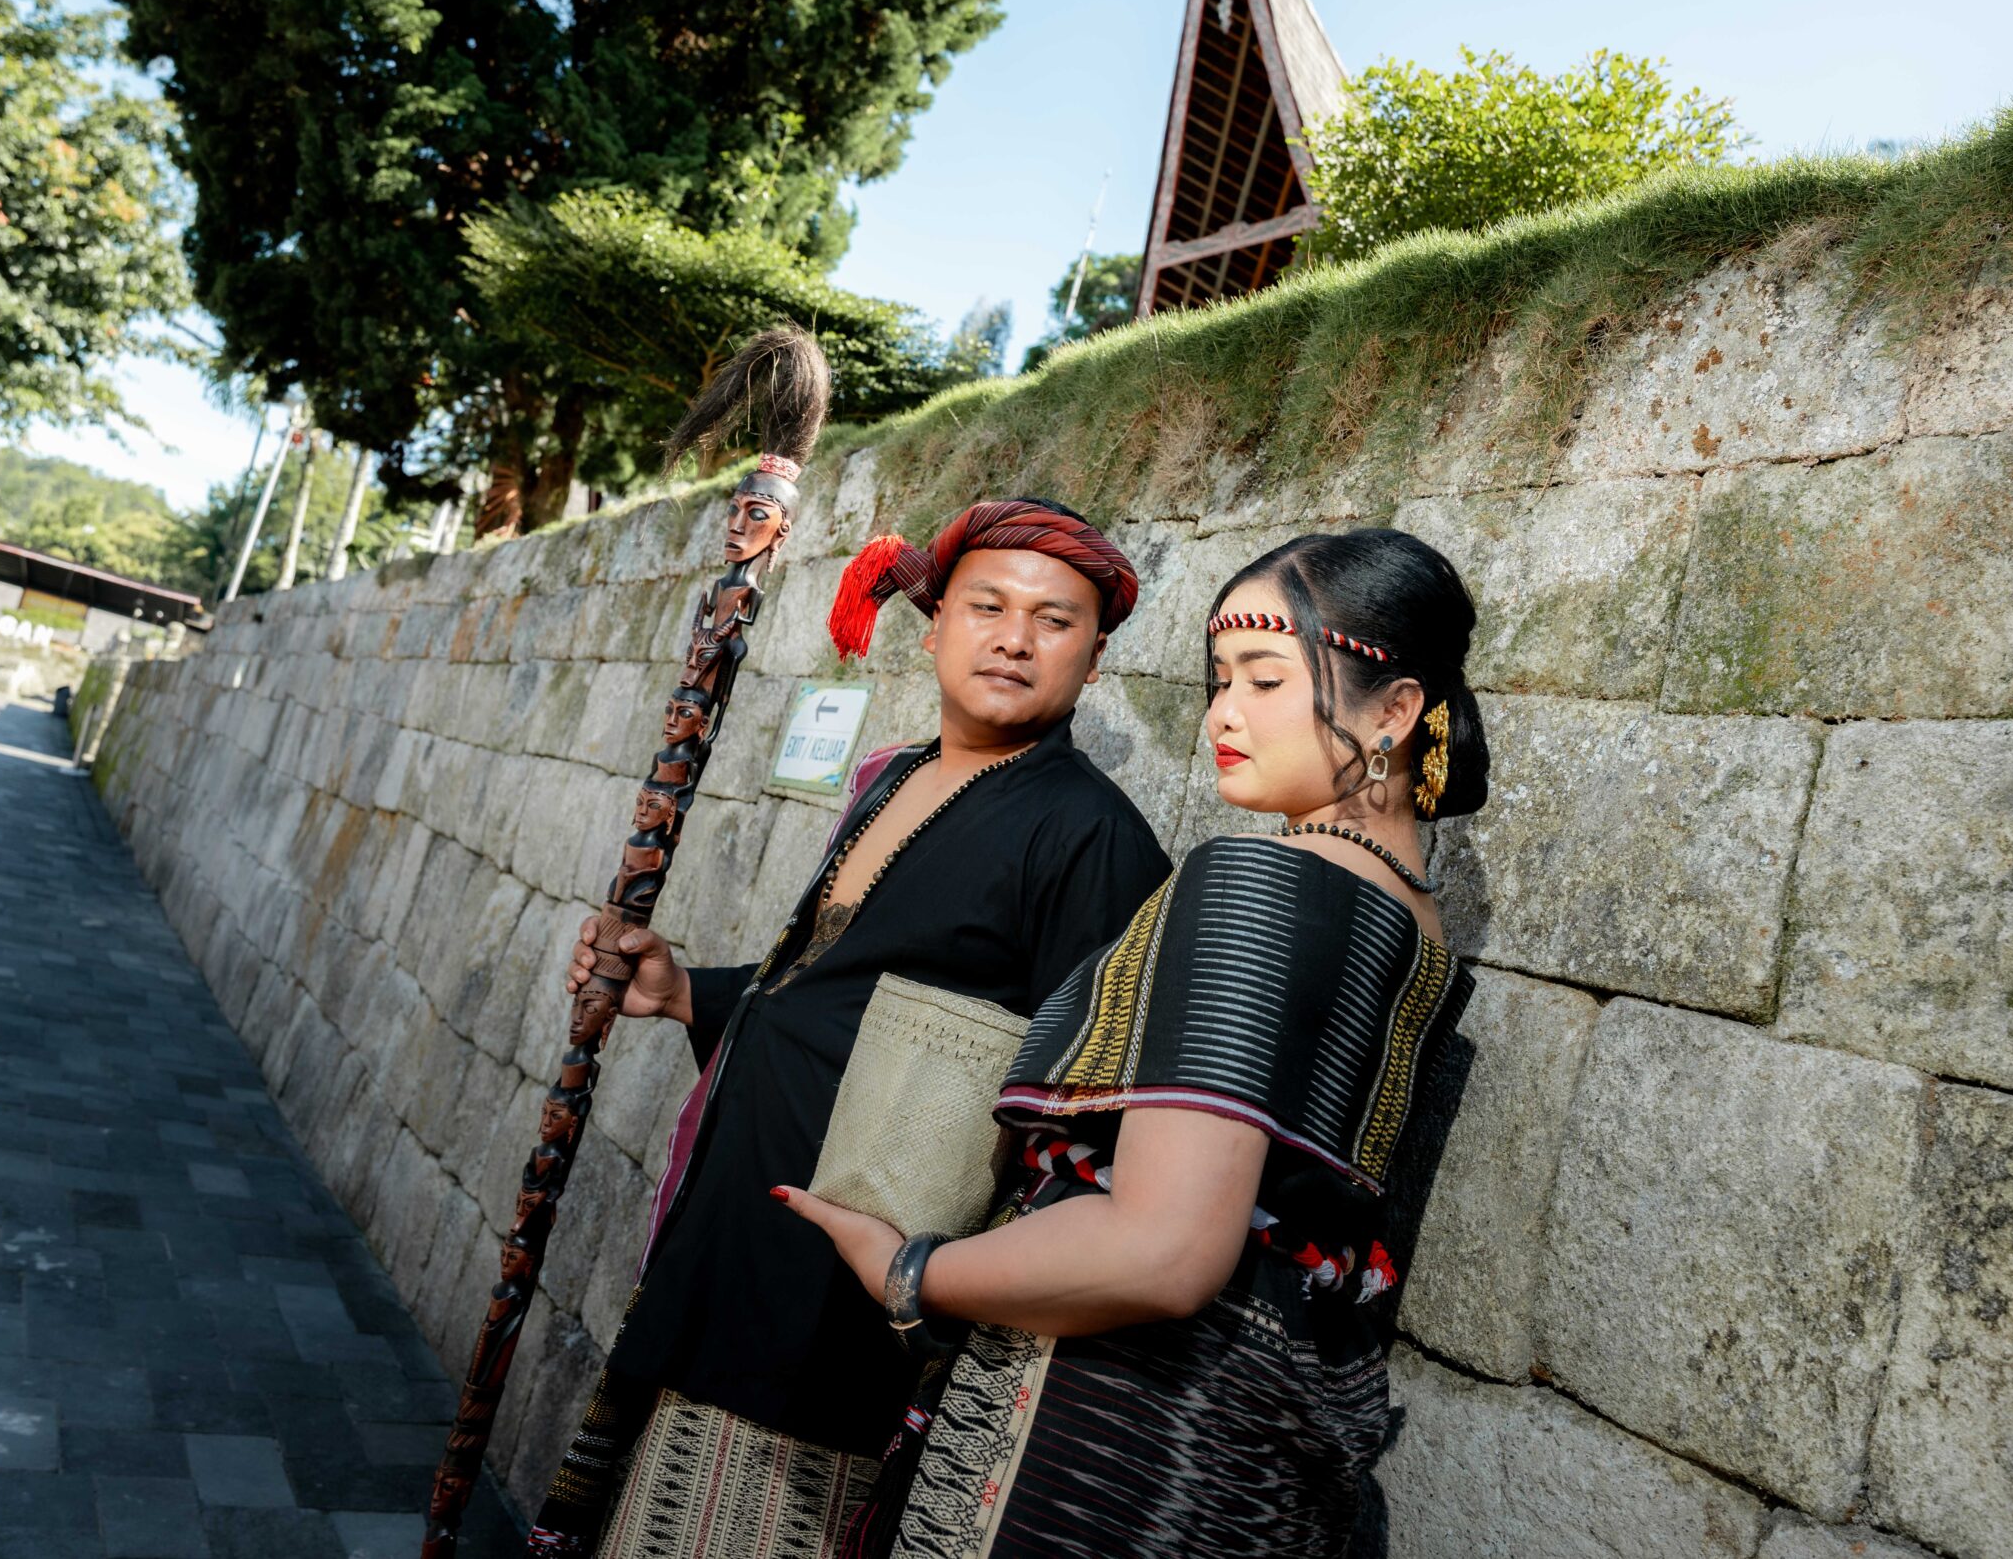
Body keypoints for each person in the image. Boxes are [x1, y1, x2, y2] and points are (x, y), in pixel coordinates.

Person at [780, 528, 1492, 1559]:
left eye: (1264, 679)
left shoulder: (1260, 885)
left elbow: (1162, 1249)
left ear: (1393, 711)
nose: (1222, 714)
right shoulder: (1414, 927)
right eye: (1220, 680)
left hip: (1096, 1450)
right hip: (1249, 1460)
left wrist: (909, 1271)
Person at [526, 499, 1174, 1559]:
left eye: (1055, 621)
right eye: (988, 607)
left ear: (1094, 659)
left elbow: (1078, 1126)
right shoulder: (897, 778)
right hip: (732, 1244)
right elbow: (837, 997)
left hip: (840, 1314)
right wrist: (685, 990)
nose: (1015, 639)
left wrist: (940, 1291)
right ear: (935, 628)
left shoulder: (1093, 840)